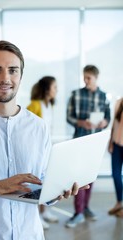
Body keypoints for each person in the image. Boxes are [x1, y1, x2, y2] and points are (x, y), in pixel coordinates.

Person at [0, 40, 84, 240]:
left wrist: (57, 191)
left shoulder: (39, 127)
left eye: (13, 70)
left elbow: (42, 181)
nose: (5, 78)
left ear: (20, 76)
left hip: (30, 234)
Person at [66, 65, 110, 228]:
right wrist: (80, 122)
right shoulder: (75, 95)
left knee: (91, 177)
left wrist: (104, 122)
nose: (85, 80)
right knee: (78, 178)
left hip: (95, 143)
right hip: (79, 141)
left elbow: (107, 118)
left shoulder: (104, 96)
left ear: (96, 78)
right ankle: (78, 213)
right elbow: (69, 117)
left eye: (88, 78)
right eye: (84, 77)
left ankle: (85, 208)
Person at [27, 76, 58, 229]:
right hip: (36, 151)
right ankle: (37, 215)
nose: (56, 91)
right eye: (54, 87)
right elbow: (25, 128)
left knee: (48, 181)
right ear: (47, 89)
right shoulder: (34, 105)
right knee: (38, 183)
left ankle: (45, 212)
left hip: (47, 148)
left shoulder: (49, 105)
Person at [108, 98, 123, 217]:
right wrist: (110, 142)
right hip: (117, 144)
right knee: (116, 174)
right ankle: (119, 202)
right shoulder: (119, 102)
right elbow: (114, 124)